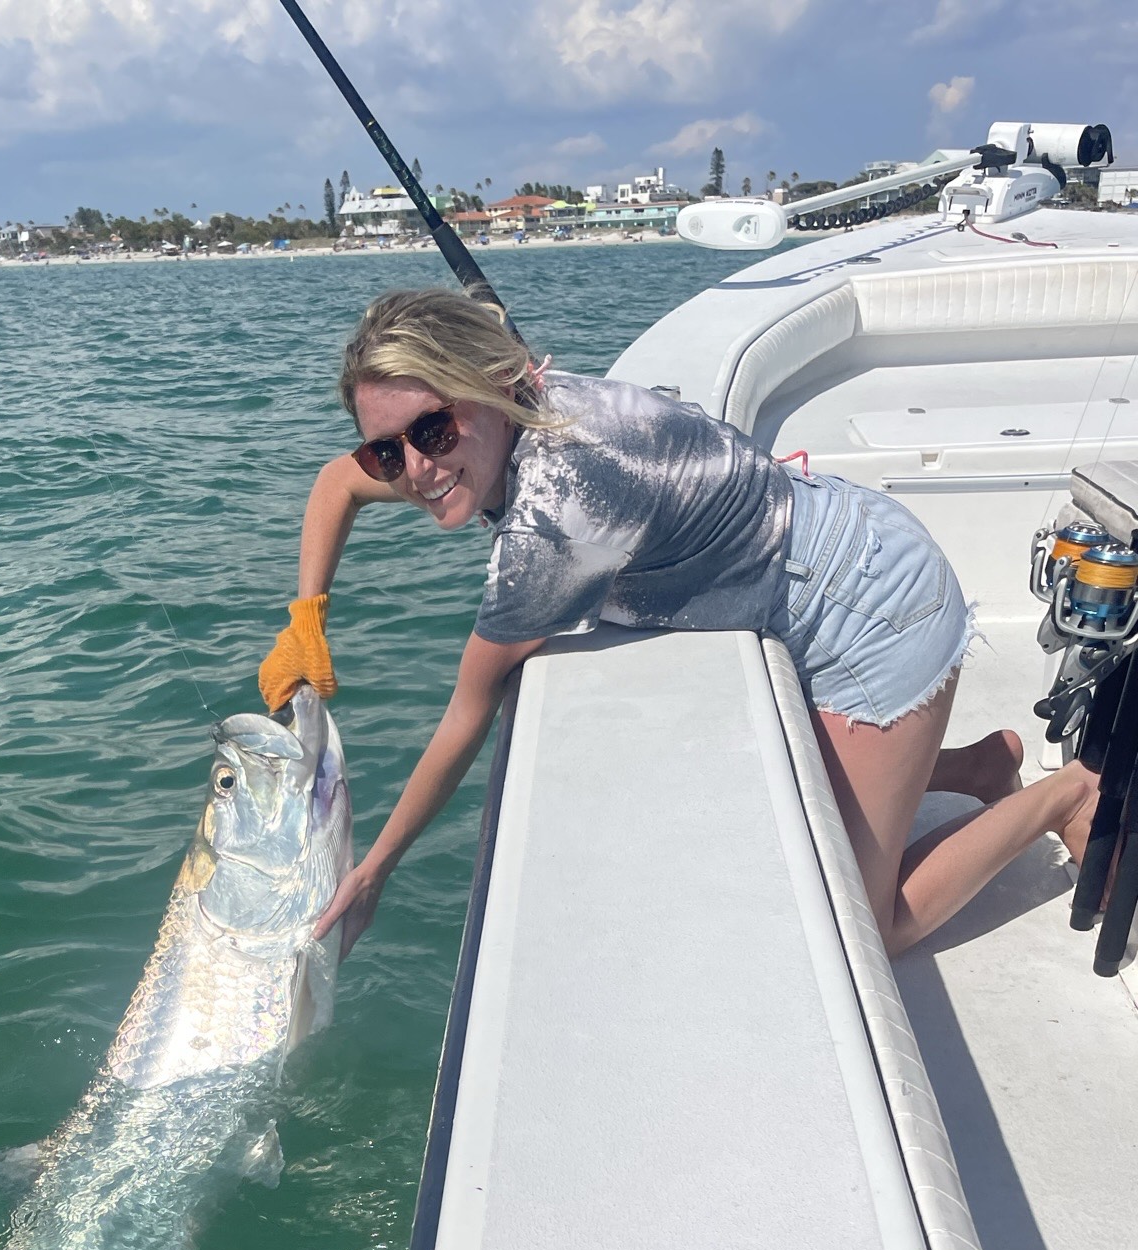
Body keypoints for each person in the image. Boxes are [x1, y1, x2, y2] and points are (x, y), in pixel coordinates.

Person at [257, 288, 1098, 959]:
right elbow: (335, 486)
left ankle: (1062, 793)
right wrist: (307, 620)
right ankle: (985, 767)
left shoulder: (559, 513)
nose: (414, 468)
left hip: (871, 615)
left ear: (488, 389)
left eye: (433, 429)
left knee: (869, 929)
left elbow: (469, 710)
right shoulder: (517, 413)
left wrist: (372, 871)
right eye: (387, 450)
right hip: (824, 560)